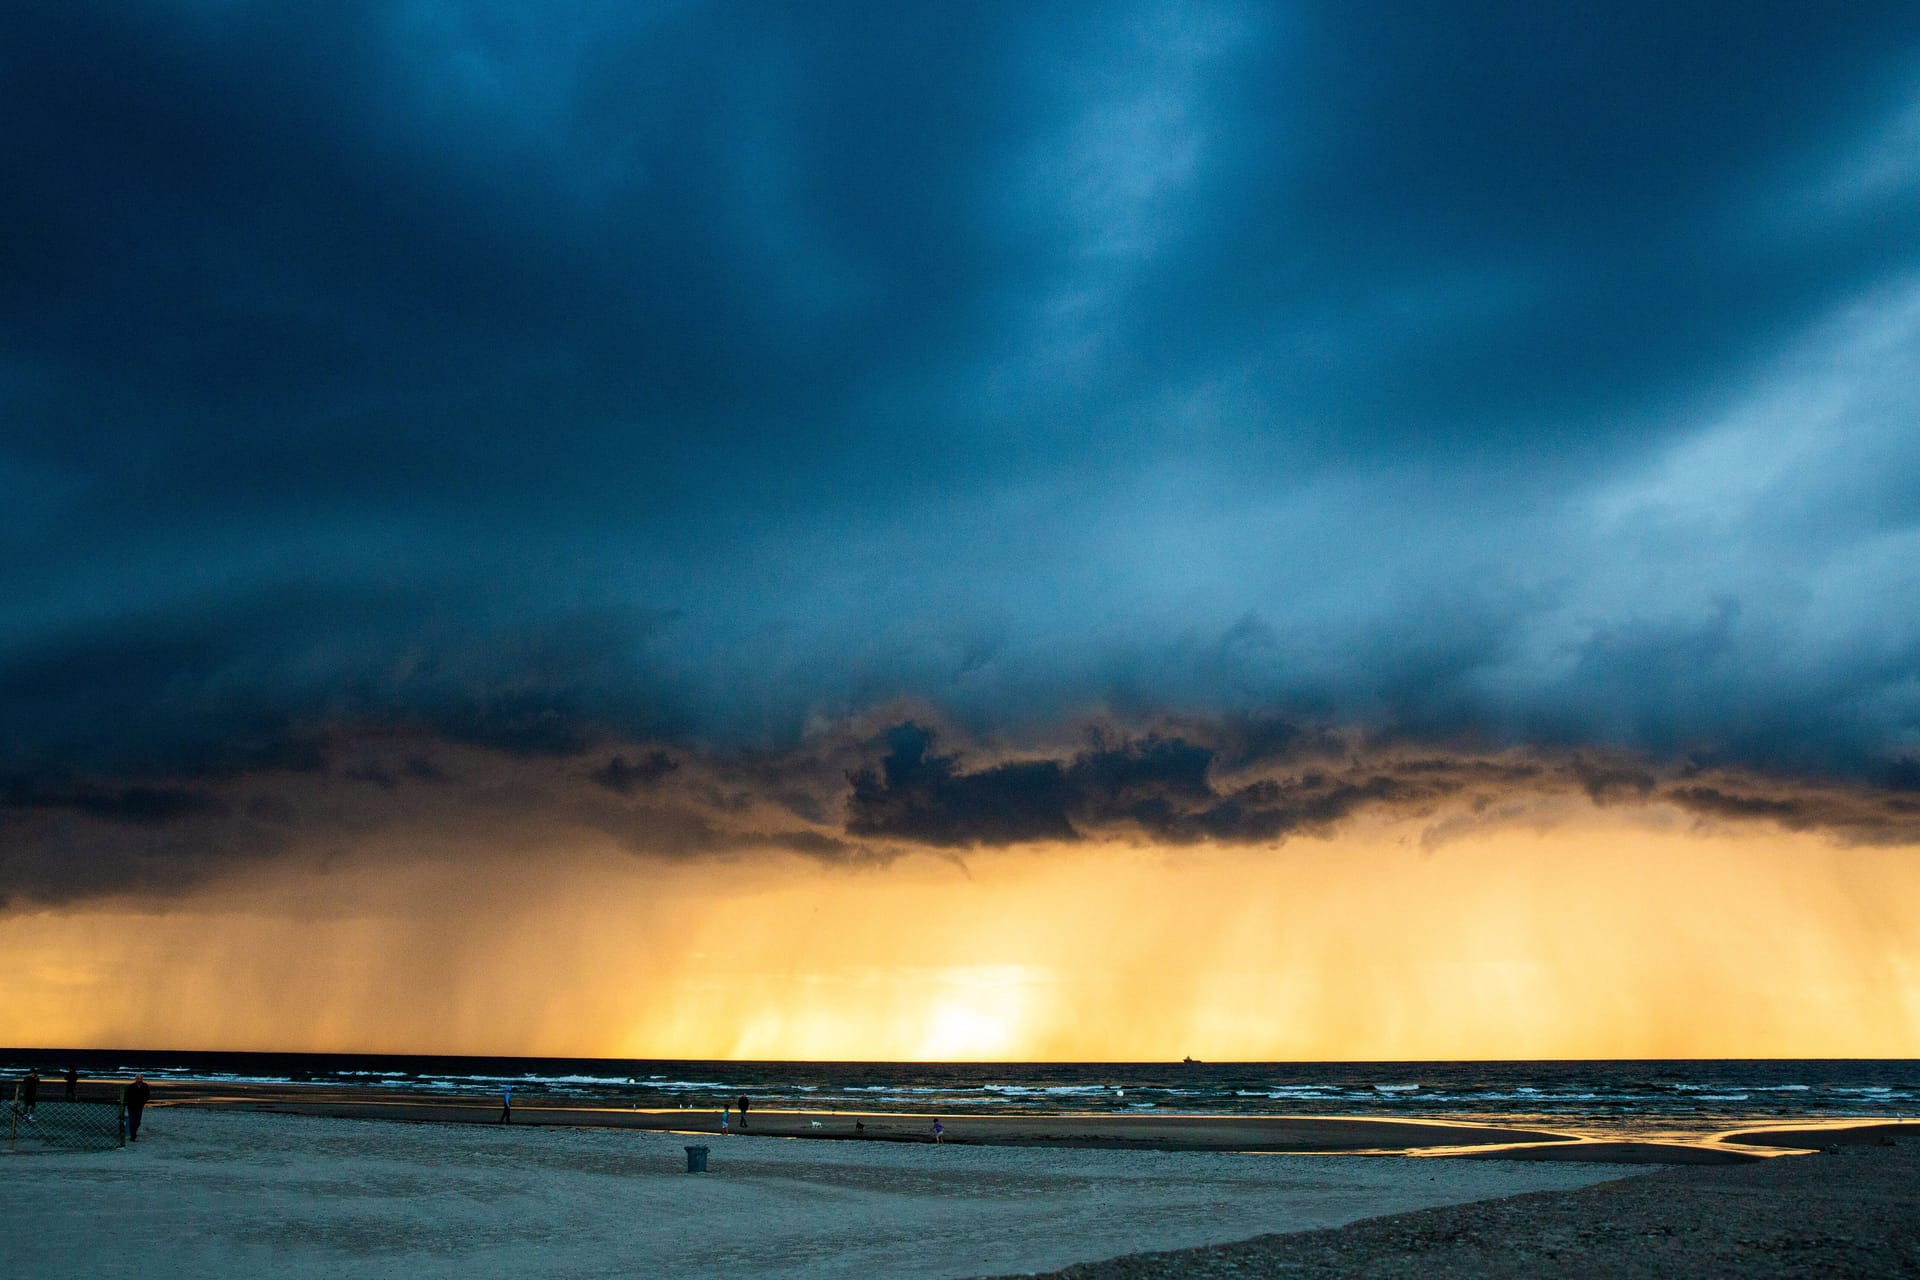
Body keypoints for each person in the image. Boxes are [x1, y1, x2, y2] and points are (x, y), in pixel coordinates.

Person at [125, 1074, 151, 1141]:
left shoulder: (145, 1086)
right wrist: (128, 1102)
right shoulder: (131, 1086)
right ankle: (133, 1136)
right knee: (132, 1121)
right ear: (135, 1079)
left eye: (140, 1078)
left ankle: (134, 1132)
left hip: (139, 1106)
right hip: (131, 1106)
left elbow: (147, 1095)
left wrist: (144, 1101)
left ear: (142, 1079)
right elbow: (127, 1095)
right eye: (138, 1078)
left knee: (138, 1122)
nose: (139, 1079)